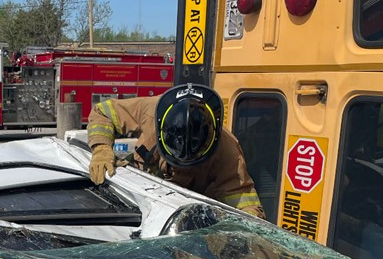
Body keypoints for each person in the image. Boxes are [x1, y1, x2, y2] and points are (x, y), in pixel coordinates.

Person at [86, 83, 266, 219]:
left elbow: (243, 198)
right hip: (141, 195)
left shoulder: (228, 151)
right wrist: (101, 149)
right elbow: (104, 112)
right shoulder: (151, 111)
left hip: (190, 216)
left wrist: (248, 227)